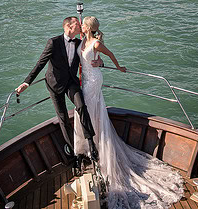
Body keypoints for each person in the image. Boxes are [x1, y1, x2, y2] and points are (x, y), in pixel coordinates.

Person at [74, 16, 184, 209]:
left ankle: (97, 145)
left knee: (91, 111)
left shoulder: (97, 43)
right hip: (86, 79)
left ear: (89, 28)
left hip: (94, 81)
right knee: (88, 111)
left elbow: (110, 54)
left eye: (83, 25)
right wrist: (94, 63)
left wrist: (117, 67)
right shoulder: (83, 40)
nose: (80, 26)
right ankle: (90, 145)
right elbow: (85, 59)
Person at [15, 16, 99, 161]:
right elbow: (40, 63)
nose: (80, 27)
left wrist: (100, 62)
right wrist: (26, 82)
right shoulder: (53, 42)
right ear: (68, 27)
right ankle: (75, 153)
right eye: (77, 25)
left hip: (71, 82)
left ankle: (91, 143)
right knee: (63, 118)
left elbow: (92, 53)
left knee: (81, 106)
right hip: (54, 84)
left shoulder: (79, 43)